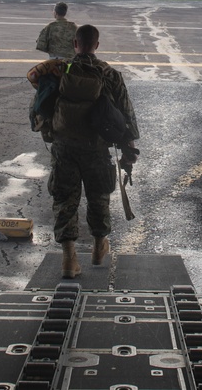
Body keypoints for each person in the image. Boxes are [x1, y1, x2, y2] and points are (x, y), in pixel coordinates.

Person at [49, 24, 139, 278]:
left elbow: (41, 107)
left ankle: (69, 259)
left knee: (65, 200)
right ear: (97, 45)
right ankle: (99, 248)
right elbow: (126, 115)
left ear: (75, 44)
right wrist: (129, 150)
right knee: (99, 196)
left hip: (64, 148)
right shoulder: (109, 74)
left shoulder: (60, 70)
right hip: (97, 149)